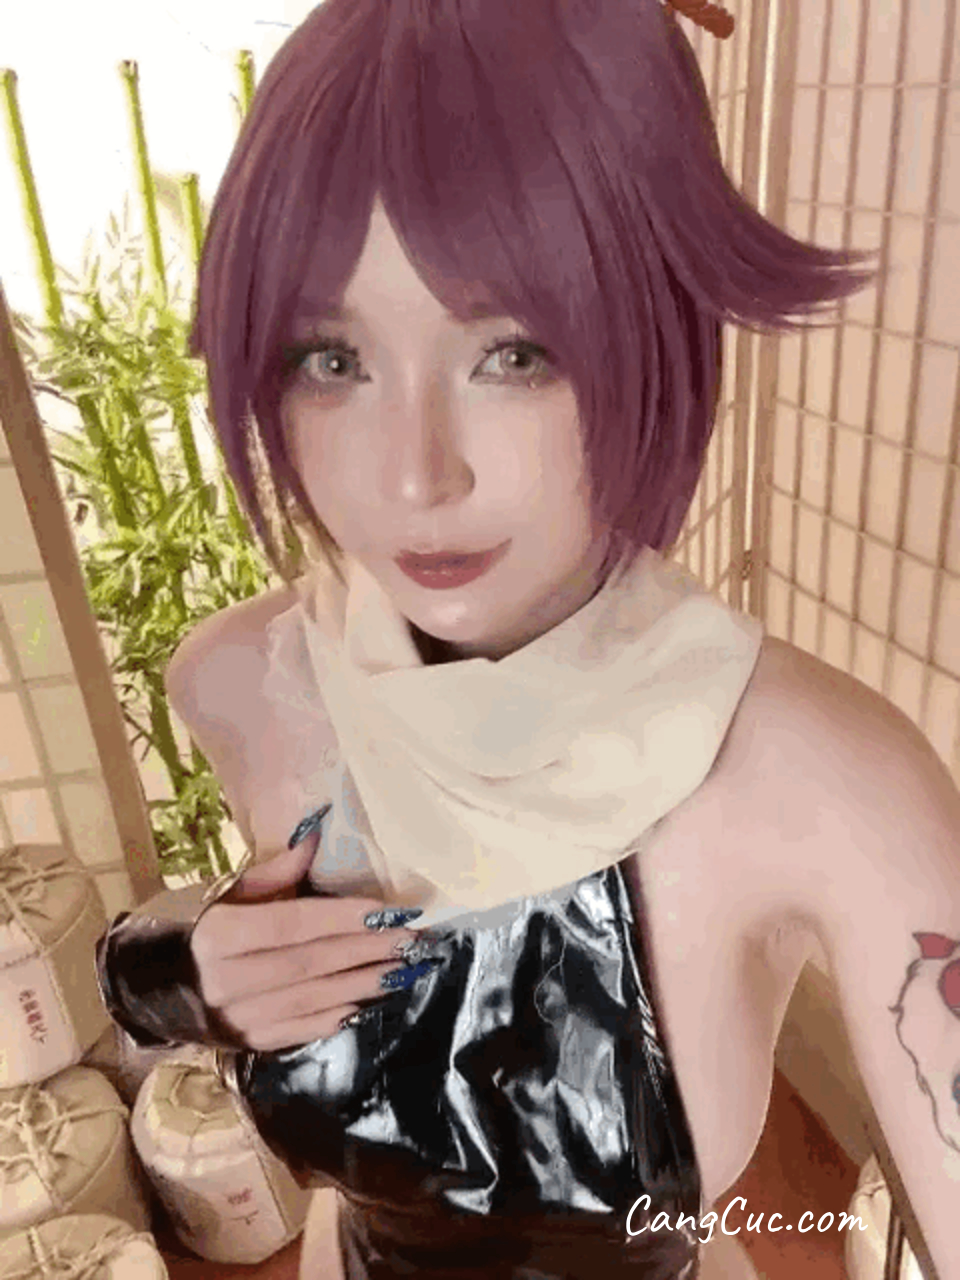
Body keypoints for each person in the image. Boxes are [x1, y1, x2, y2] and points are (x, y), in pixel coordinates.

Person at [95, 1, 960, 1277]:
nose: (415, 477)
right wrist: (173, 967)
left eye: (513, 352)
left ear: (653, 327)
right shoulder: (240, 680)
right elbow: (192, 974)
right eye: (333, 357)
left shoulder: (826, 780)